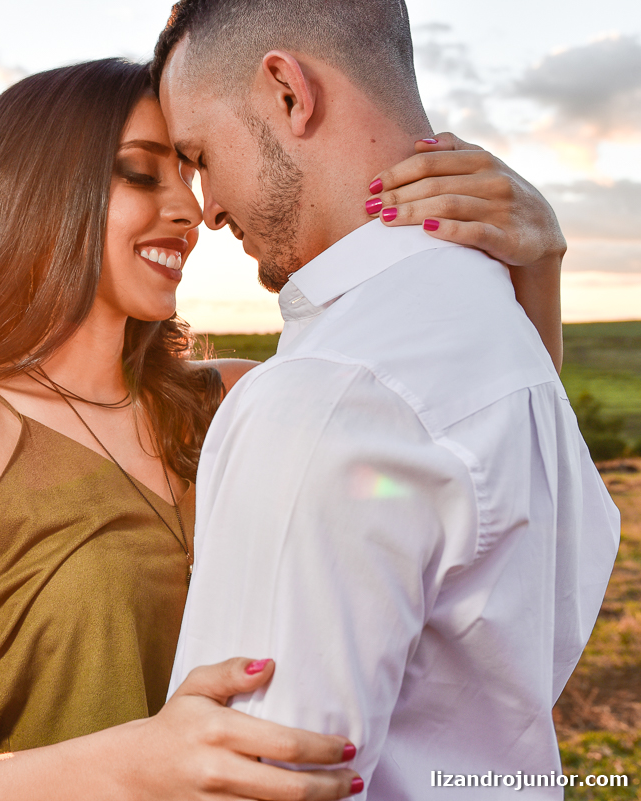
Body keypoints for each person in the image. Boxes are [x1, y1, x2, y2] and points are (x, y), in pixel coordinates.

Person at [0, 55, 572, 801]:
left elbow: (490, 446)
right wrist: (138, 763)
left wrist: (538, 262)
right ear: (40, 189)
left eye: (189, 172)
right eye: (142, 173)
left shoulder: (239, 398)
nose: (191, 211)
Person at [152, 1, 621, 798]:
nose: (206, 206)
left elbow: (251, 780)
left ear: (288, 93)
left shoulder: (326, 397)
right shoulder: (497, 327)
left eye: (199, 154)